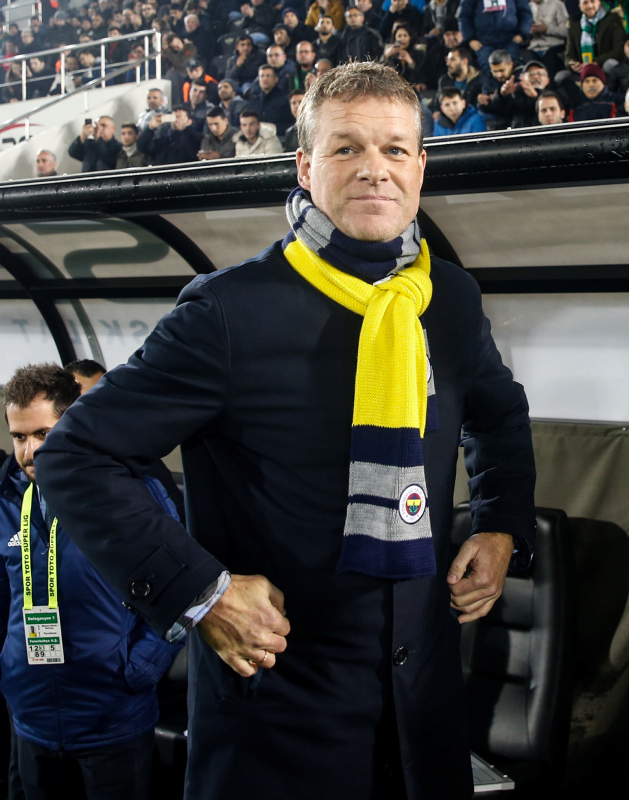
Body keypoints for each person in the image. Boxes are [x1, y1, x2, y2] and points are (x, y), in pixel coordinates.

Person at [37, 61, 536, 800]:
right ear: (305, 166)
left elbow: (498, 416)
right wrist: (201, 593)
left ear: (420, 167)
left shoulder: (450, 299)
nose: (375, 169)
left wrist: (499, 527)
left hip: (423, 718)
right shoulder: (226, 313)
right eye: (347, 148)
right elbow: (76, 454)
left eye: (395, 149)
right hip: (278, 725)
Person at [1, 363, 183, 800]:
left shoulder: (129, 493)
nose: (29, 452)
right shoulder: (7, 500)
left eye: (42, 434)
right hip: (31, 718)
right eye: (19, 437)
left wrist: (139, 669)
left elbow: (184, 590)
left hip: (112, 720)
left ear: (72, 424)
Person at [458, 0, 532, 75]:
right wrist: (470, 39)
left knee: (514, 71)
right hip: (484, 43)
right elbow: (464, 17)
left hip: (510, 41)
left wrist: (521, 34)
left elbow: (526, 13)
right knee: (488, 74)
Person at [563, 0, 625, 80]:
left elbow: (619, 50)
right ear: (580, 6)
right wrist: (572, 64)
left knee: (610, 64)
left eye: (593, 1)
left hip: (603, 64)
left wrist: (595, 62)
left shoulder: (613, 19)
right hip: (582, 68)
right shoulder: (574, 22)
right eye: (585, 3)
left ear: (599, 3)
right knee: (561, 76)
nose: (590, 6)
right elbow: (569, 54)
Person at [137, 105, 203, 165]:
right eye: (173, 117)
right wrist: (150, 128)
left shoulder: (196, 139)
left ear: (189, 121)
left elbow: (193, 154)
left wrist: (183, 130)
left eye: (178, 117)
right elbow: (143, 147)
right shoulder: (164, 140)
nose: (175, 120)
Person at [244, 64, 293, 135]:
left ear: (276, 79)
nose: (265, 79)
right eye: (262, 76)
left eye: (268, 76)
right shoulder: (254, 101)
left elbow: (291, 123)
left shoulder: (286, 99)